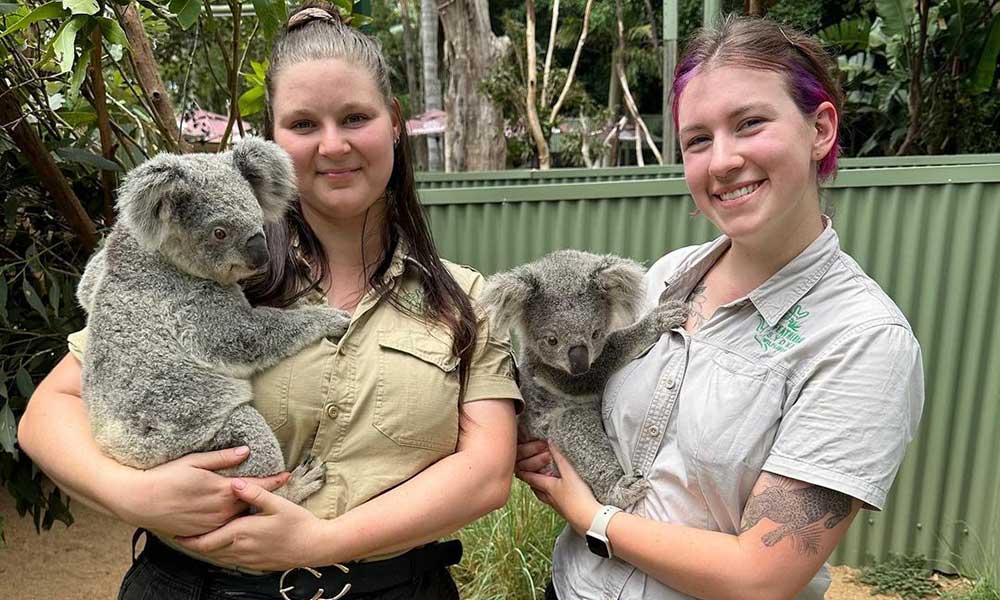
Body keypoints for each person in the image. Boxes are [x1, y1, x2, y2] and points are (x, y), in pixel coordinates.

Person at [18, 3, 521, 599]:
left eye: (355, 117)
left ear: (394, 122)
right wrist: (132, 493)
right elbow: (48, 411)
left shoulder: (463, 299)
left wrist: (320, 544)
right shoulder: (194, 267)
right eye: (303, 125)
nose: (332, 146)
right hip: (199, 586)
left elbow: (487, 475)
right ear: (273, 144)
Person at [516, 16, 924, 600]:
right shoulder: (663, 280)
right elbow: (585, 404)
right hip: (574, 586)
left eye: (750, 124)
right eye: (698, 140)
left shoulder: (862, 342)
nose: (722, 161)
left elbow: (761, 577)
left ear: (821, 130)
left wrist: (592, 517)